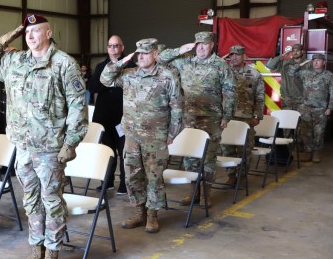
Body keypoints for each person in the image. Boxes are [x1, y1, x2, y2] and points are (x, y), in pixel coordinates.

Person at [0, 14, 87, 259]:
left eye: (35, 31)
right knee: (30, 200)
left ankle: (52, 252)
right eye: (27, 32)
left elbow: (77, 107)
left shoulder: (64, 64)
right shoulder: (15, 62)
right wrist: (13, 32)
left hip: (50, 148)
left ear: (48, 33)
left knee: (51, 201)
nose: (30, 36)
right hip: (24, 147)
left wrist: (71, 142)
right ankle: (35, 249)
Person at [101, 38, 183, 233]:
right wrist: (121, 62)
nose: (142, 56)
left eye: (146, 53)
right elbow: (105, 79)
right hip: (131, 136)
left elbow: (178, 106)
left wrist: (173, 133)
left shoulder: (168, 75)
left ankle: (153, 215)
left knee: (153, 177)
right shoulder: (129, 75)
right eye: (139, 53)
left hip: (156, 137)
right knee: (132, 175)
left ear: (155, 54)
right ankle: (140, 212)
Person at [159, 31, 235, 205]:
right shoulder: (186, 61)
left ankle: (206, 195)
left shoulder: (221, 65)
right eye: (198, 44)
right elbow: (161, 58)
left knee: (208, 158)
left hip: (211, 118)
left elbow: (230, 92)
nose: (201, 47)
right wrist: (180, 50)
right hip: (189, 117)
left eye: (205, 43)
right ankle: (194, 193)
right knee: (190, 157)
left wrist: (227, 115)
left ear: (212, 45)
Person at [88, 35, 134, 195]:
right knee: (106, 151)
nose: (113, 49)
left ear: (122, 48)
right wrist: (109, 82)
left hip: (124, 117)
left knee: (124, 152)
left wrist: (107, 83)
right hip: (104, 116)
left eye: (116, 46)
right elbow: (93, 86)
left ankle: (124, 184)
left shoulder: (131, 66)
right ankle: (107, 182)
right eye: (110, 46)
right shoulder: (101, 66)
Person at [222, 45, 264, 185]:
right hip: (227, 116)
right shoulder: (224, 71)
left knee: (245, 149)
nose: (234, 58)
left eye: (237, 55)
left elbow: (259, 97)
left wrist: (257, 116)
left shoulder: (254, 74)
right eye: (231, 55)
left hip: (246, 117)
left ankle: (242, 176)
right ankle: (231, 175)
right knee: (227, 147)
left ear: (244, 56)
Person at [299, 54, 333, 163]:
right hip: (306, 107)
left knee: (319, 132)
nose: (316, 63)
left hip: (320, 109)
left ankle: (316, 152)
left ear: (324, 62)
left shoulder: (329, 75)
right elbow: (291, 72)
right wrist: (303, 63)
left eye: (319, 60)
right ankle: (308, 152)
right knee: (305, 132)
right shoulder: (306, 73)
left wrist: (330, 107)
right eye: (314, 60)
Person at [266, 43, 311, 112]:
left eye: (298, 50)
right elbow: (270, 66)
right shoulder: (285, 63)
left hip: (301, 98)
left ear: (302, 52)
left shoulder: (308, 63)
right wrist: (282, 55)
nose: (295, 52)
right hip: (287, 98)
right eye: (293, 51)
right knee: (288, 120)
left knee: (301, 120)